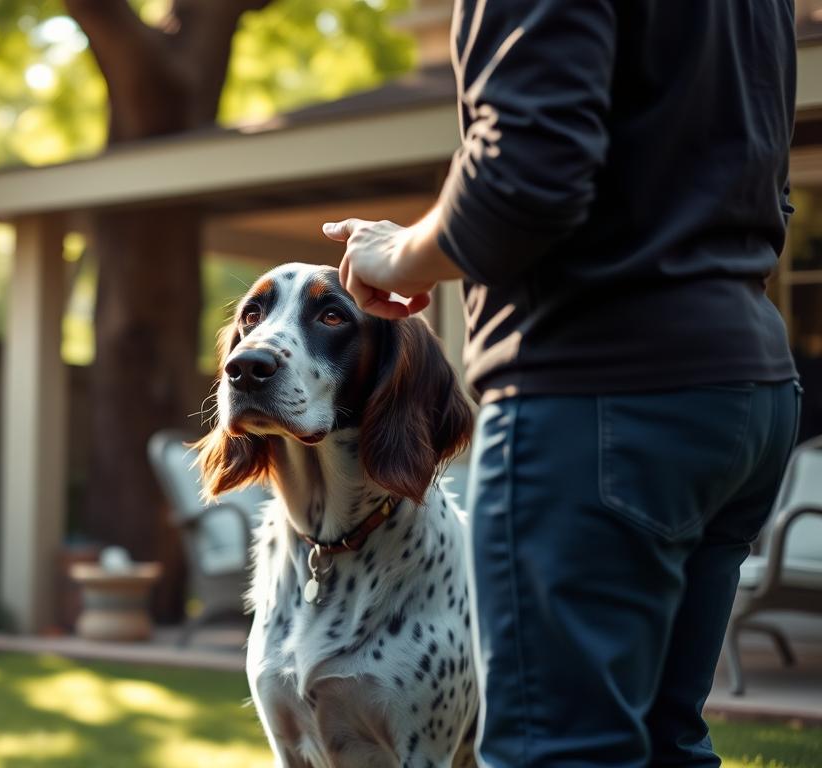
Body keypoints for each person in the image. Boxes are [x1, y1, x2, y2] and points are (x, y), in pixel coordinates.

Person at [323, 1, 802, 766]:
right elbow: (765, 188)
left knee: (562, 751)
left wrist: (396, 254)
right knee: (664, 744)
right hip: (744, 391)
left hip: (601, 398)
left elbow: (526, 177)